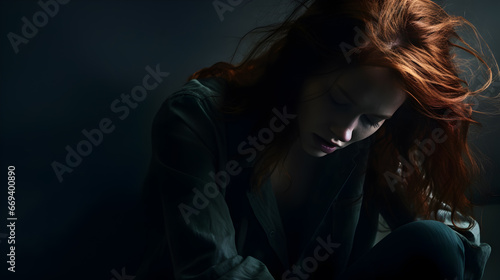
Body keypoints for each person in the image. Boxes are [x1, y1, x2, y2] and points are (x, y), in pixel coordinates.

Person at [135, 0, 499, 279]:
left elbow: (459, 242)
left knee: (437, 243)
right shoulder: (195, 117)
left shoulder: (376, 146)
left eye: (371, 119)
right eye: (338, 100)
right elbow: (214, 271)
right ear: (304, 67)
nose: (344, 133)